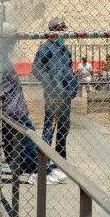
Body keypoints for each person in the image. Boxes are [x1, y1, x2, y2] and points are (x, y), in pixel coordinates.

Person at [0, 23, 66, 185]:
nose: (15, 43)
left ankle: (38, 168)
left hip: (14, 108)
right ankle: (43, 171)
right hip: (12, 110)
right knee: (30, 142)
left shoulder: (0, 56)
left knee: (18, 144)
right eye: (13, 39)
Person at [32, 17, 79, 160]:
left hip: (65, 94)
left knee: (64, 128)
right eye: (59, 29)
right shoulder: (46, 47)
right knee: (50, 127)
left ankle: (60, 159)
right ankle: (44, 159)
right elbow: (36, 69)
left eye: (63, 30)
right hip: (53, 94)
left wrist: (72, 86)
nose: (62, 32)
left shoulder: (64, 49)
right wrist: (50, 84)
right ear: (52, 31)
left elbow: (68, 70)